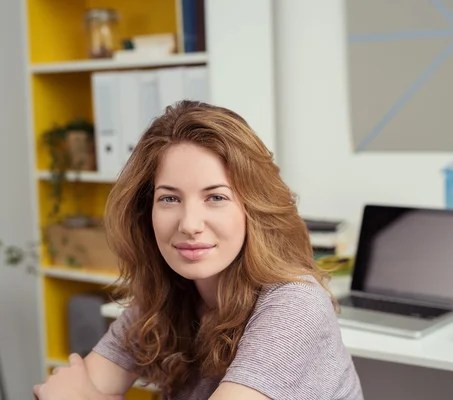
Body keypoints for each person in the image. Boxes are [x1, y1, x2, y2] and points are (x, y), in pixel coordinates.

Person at [33, 101, 364, 400]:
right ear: (145, 212)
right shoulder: (166, 297)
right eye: (170, 198)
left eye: (216, 197)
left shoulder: (295, 304)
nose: (189, 224)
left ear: (253, 208)